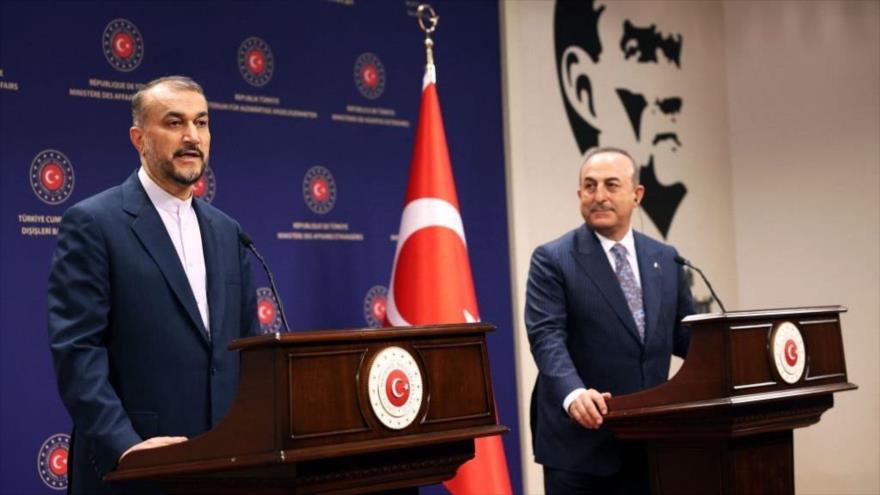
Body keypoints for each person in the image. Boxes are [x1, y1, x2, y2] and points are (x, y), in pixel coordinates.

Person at [48, 76, 259, 494]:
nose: (191, 137)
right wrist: (127, 448)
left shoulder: (227, 230)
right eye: (174, 123)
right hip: (134, 470)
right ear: (139, 138)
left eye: (201, 123)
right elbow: (78, 354)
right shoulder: (94, 224)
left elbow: (249, 351)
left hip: (224, 469)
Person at [525, 147, 694, 494]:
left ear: (637, 194)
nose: (599, 196)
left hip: (647, 442)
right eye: (589, 186)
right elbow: (546, 337)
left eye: (611, 185)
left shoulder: (665, 258)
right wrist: (573, 395)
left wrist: (737, 356)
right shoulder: (553, 259)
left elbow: (685, 336)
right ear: (579, 195)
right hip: (579, 445)